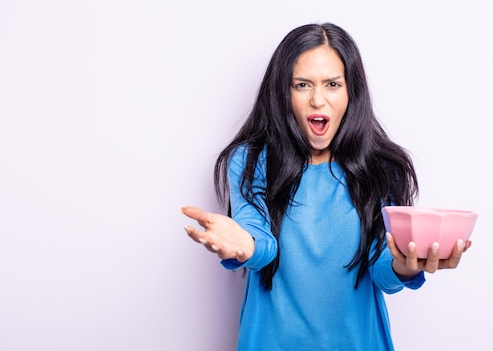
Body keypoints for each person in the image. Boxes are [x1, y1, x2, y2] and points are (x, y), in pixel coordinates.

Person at [181, 22, 471, 350]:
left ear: (351, 91)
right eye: (302, 85)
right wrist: (244, 245)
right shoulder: (250, 161)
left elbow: (381, 270)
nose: (318, 100)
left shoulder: (382, 168)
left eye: (332, 84)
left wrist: (405, 264)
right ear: (283, 92)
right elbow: (261, 243)